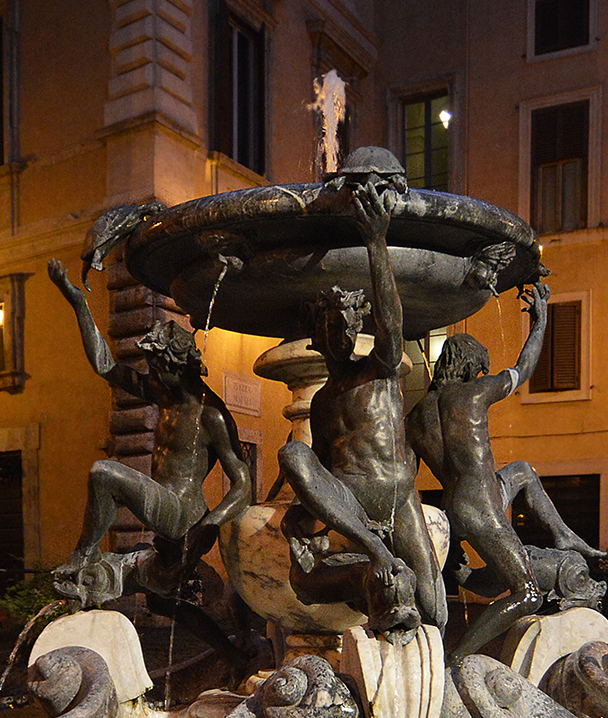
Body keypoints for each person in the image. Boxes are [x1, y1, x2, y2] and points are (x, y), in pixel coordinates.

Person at [277, 181, 447, 639]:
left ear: (357, 330)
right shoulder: (321, 401)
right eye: (329, 326)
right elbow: (322, 468)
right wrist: (298, 516)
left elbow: (393, 321)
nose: (339, 334)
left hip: (396, 492)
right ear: (316, 334)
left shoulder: (381, 370)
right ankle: (374, 557)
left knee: (433, 602)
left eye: (346, 325)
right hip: (351, 499)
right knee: (294, 455)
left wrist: (376, 240)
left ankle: (436, 677)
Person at [406, 284, 604, 657]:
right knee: (526, 592)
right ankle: (458, 658)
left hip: (455, 508)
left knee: (522, 472)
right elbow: (525, 366)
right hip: (483, 507)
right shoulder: (476, 392)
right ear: (470, 368)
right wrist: (540, 320)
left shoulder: (415, 417)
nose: (484, 372)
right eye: (480, 368)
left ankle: (561, 536)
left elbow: (406, 477)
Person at [48, 259, 252, 605]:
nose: (151, 377)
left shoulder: (211, 416)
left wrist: (210, 525)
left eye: (157, 369)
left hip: (184, 515)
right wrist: (78, 303)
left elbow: (243, 484)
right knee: (162, 597)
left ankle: (83, 555)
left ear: (178, 367)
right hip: (165, 504)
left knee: (104, 473)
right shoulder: (165, 394)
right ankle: (231, 651)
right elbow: (106, 366)